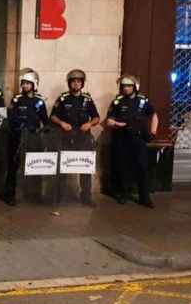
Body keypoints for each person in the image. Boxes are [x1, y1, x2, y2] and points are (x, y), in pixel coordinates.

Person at [106, 74, 158, 208]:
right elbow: (109, 120)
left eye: (129, 86)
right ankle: (124, 194)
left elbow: (154, 115)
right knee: (123, 167)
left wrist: (153, 131)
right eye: (124, 86)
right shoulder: (117, 101)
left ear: (134, 87)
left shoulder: (143, 100)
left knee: (142, 167)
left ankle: (144, 197)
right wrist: (116, 124)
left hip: (138, 138)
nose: (126, 88)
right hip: (121, 138)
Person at [50, 69, 100, 205]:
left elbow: (97, 117)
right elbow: (52, 116)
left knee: (85, 168)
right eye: (73, 82)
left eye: (79, 82)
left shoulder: (87, 99)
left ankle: (86, 197)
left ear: (82, 84)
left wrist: (89, 124)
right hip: (66, 137)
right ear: (69, 83)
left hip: (83, 138)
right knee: (62, 168)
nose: (76, 84)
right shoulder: (62, 98)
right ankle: (59, 197)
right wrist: (62, 123)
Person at [3, 68, 49, 206]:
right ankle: (9, 195)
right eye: (23, 83)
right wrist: (21, 126)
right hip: (18, 138)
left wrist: (45, 129)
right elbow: (11, 117)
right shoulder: (16, 99)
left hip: (34, 138)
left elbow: (45, 120)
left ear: (34, 84)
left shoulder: (40, 101)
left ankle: (35, 194)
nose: (24, 86)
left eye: (28, 83)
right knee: (14, 166)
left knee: (35, 166)